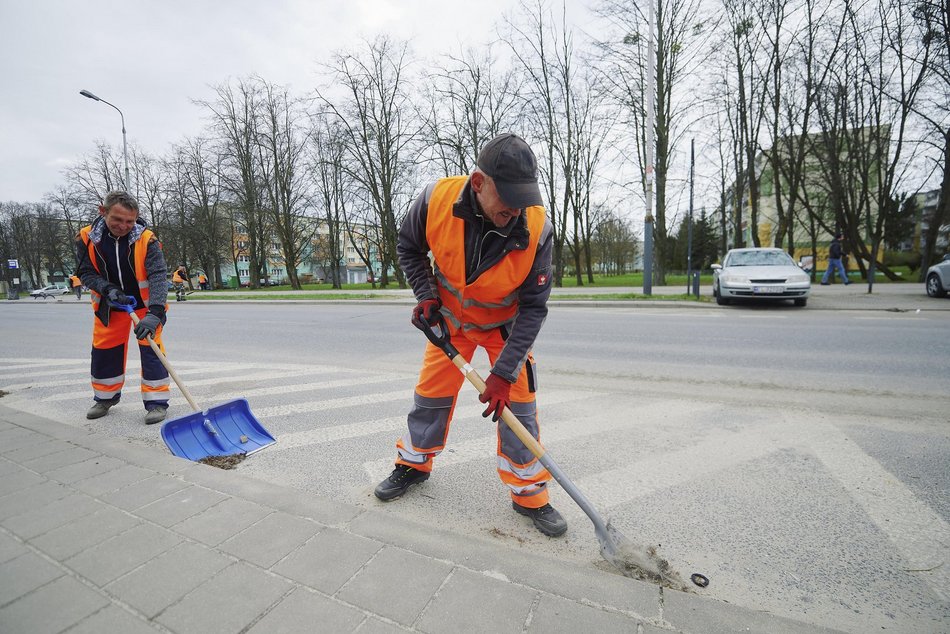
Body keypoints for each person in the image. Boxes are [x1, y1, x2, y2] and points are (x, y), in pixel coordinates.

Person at [374, 133, 565, 537]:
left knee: (521, 410)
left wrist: (504, 373)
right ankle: (413, 464)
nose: (515, 209)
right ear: (478, 183)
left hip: (504, 329)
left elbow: (534, 308)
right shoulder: (434, 200)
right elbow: (409, 247)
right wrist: (426, 296)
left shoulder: (537, 228)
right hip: (451, 324)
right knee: (430, 396)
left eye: (523, 198)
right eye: (508, 197)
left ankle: (529, 493)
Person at [75, 191, 171, 425]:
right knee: (105, 351)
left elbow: (158, 276)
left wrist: (155, 313)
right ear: (103, 211)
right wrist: (107, 289)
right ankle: (104, 398)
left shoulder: (147, 239)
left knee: (152, 351)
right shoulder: (86, 238)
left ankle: (157, 403)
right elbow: (85, 272)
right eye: (117, 219)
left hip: (144, 307)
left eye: (130, 221)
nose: (124, 226)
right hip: (110, 305)